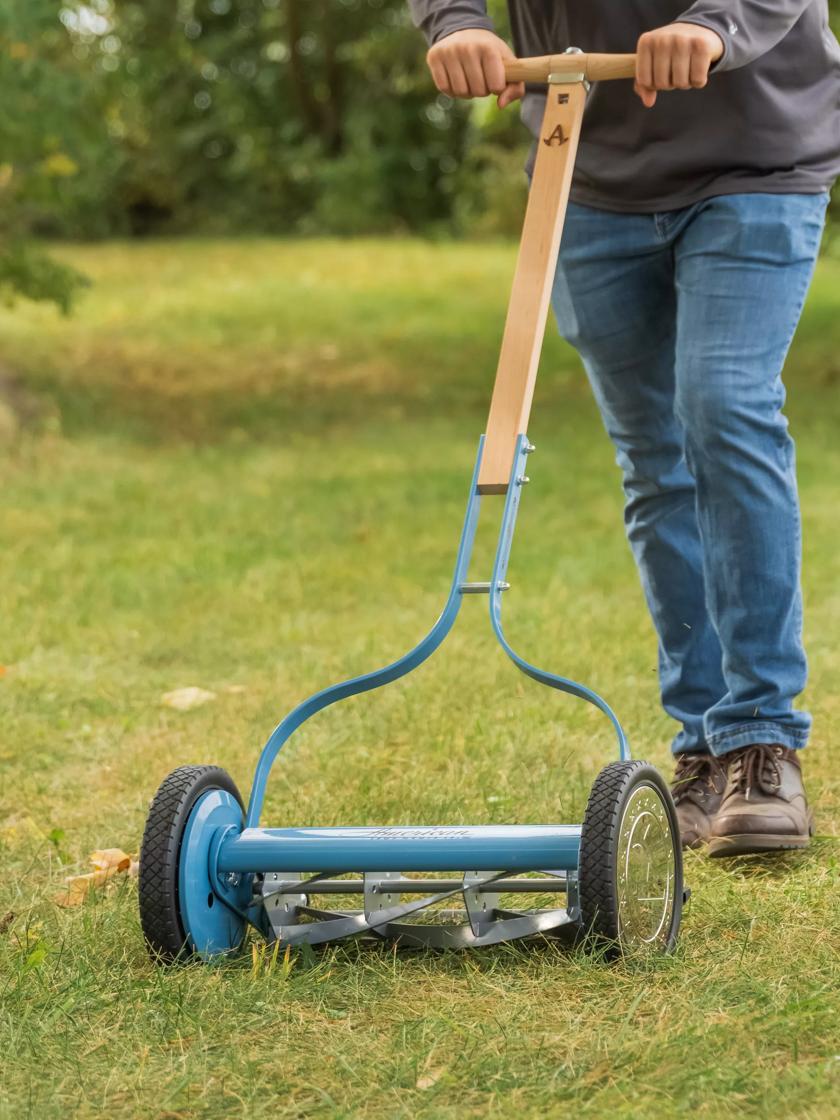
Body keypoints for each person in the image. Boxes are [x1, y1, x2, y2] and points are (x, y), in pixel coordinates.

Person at [408, 1, 840, 856]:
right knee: (655, 461)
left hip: (754, 155)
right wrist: (454, 22)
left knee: (724, 404)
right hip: (586, 169)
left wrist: (717, 24)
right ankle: (705, 751)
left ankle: (761, 741)